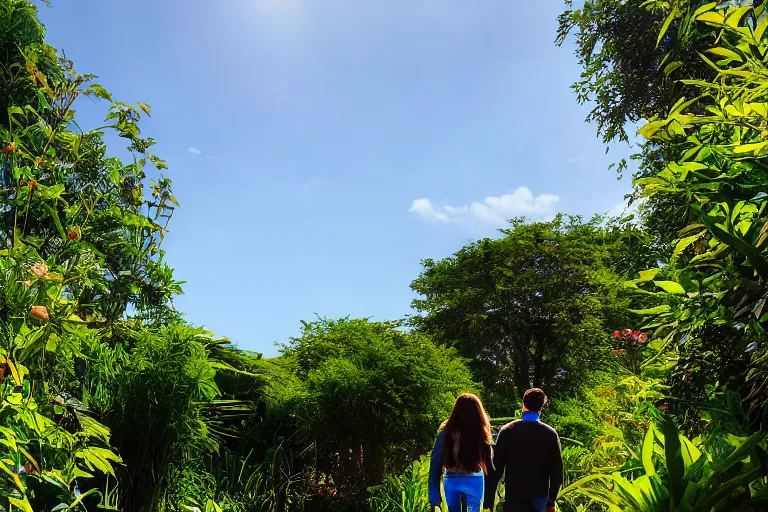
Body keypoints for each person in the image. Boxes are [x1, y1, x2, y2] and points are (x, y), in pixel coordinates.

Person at [483, 388, 563, 512]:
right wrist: (552, 499)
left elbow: (496, 468)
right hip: (540, 496)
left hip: (514, 496)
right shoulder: (550, 434)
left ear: (523, 404)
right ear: (541, 407)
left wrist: (489, 500)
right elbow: (556, 471)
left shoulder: (507, 430)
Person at [429, 393, 494, 512]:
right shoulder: (481, 433)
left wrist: (434, 497)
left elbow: (435, 464)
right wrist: (490, 497)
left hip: (451, 479)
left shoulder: (445, 433)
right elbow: (489, 462)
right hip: (474, 480)